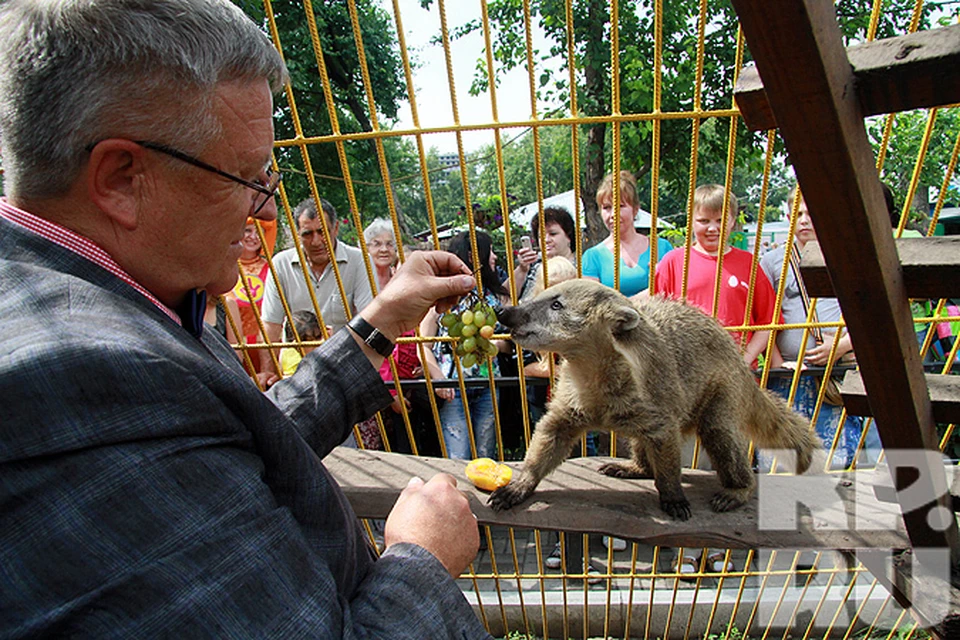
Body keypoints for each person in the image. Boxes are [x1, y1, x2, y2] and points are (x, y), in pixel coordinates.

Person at [0, 2, 491, 638]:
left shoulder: (105, 294)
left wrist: (383, 317)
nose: (266, 209)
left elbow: (223, 444)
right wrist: (421, 559)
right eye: (245, 175)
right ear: (122, 179)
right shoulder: (76, 379)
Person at [760, 184, 881, 469]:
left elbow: (870, 314)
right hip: (788, 375)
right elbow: (764, 315)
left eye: (811, 213)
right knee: (782, 458)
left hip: (837, 370)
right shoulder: (771, 261)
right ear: (789, 216)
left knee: (835, 456)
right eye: (798, 212)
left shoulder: (847, 258)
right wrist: (777, 363)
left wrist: (841, 346)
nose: (804, 219)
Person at [654, 184, 782, 370]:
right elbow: (656, 321)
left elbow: (768, 322)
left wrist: (743, 361)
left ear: (732, 221)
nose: (713, 228)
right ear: (691, 221)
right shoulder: (673, 262)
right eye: (704, 221)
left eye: (720, 220)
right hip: (689, 372)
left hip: (739, 371)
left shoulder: (748, 263)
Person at [259, 197, 375, 386]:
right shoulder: (280, 264)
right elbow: (270, 324)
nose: (316, 241)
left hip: (343, 370)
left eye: (323, 232)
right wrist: (269, 374)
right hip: (295, 375)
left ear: (336, 228)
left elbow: (368, 320)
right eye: (307, 234)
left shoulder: (360, 261)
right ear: (297, 234)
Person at [420, 231, 509, 460]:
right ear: (473, 255)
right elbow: (423, 344)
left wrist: (494, 345)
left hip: (489, 384)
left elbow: (510, 343)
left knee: (486, 454)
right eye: (490, 251)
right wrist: (438, 377)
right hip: (452, 388)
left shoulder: (492, 297)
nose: (495, 258)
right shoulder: (442, 297)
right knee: (457, 455)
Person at [582, 170, 674, 297]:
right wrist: (653, 290)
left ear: (635, 209)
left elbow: (677, 291)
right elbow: (593, 304)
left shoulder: (662, 248)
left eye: (620, 206)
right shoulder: (592, 257)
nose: (613, 214)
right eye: (607, 208)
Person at [513, 205, 578, 302]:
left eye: (553, 234)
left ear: (569, 236)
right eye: (541, 236)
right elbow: (506, 296)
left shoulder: (582, 266)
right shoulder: (533, 265)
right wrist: (522, 269)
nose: (546, 240)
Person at [365, 217, 399, 292]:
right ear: (366, 248)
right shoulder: (359, 281)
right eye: (377, 244)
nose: (384, 249)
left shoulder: (400, 280)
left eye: (389, 244)